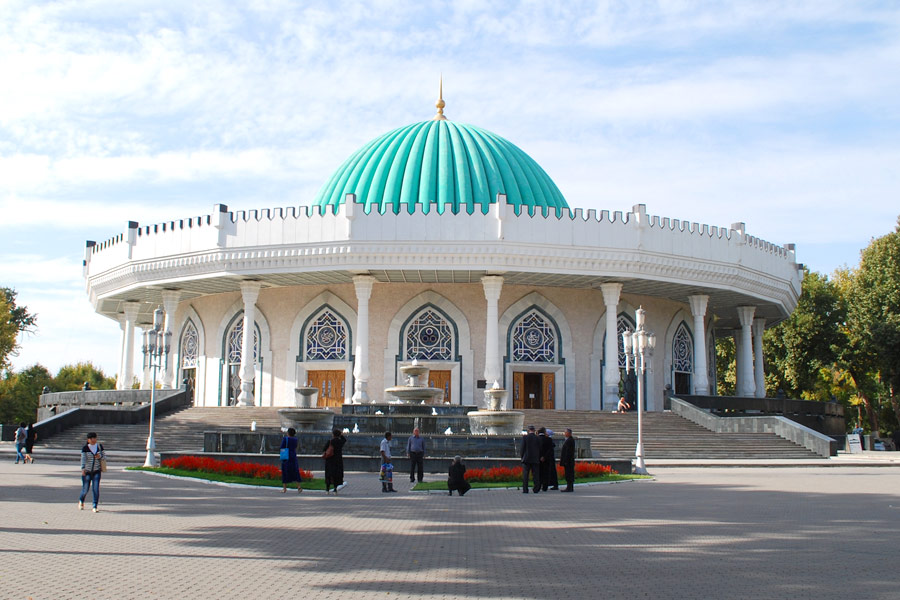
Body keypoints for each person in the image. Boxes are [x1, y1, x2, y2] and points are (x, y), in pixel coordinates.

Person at [79, 432, 106, 512]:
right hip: (87, 472)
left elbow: (104, 456)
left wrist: (100, 456)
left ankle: (95, 506)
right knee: (85, 489)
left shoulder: (99, 447)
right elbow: (83, 459)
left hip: (96, 471)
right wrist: (83, 469)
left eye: (94, 438)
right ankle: (81, 501)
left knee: (96, 489)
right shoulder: (85, 448)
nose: (93, 440)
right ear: (88, 440)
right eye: (91, 438)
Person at [322, 428, 347, 495]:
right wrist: (341, 435)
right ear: (339, 435)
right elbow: (344, 440)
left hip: (330, 460)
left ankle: (327, 489)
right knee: (336, 474)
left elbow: (324, 449)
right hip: (338, 460)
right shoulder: (340, 442)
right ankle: (335, 489)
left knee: (329, 474)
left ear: (333, 434)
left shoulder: (330, 441)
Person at [280, 428, 303, 494]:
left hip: (286, 456)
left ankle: (284, 489)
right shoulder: (295, 440)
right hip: (293, 456)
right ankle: (299, 487)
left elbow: (282, 447)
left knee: (285, 471)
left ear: (288, 433)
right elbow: (295, 447)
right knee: (295, 471)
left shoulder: (285, 439)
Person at [520, 425, 541, 493]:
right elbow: (540, 448)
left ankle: (525, 489)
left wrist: (522, 456)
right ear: (534, 430)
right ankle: (536, 489)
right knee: (536, 475)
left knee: (526, 475)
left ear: (528, 431)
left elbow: (522, 448)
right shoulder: (537, 438)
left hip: (526, 459)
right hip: (535, 459)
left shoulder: (525, 437)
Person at [559, 428, 576, 492]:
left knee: (569, 474)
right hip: (568, 461)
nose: (564, 433)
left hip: (568, 461)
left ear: (569, 433)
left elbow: (568, 452)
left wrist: (565, 460)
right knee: (568, 474)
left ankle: (569, 487)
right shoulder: (569, 440)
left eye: (565, 432)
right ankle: (569, 487)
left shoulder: (570, 440)